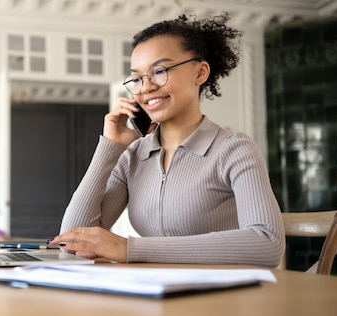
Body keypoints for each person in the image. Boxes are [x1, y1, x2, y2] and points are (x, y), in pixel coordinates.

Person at [48, 14, 285, 267]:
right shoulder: (132, 156)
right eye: (137, 78)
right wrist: (110, 147)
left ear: (200, 72)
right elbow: (73, 242)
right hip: (157, 296)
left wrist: (130, 248)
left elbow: (267, 243)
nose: (145, 87)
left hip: (221, 299)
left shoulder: (234, 150)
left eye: (159, 71)